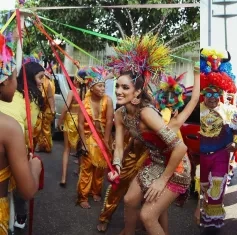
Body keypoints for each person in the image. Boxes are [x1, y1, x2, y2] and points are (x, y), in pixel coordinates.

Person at [107, 33, 198, 235]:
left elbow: (180, 147)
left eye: (125, 87)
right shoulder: (120, 114)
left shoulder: (147, 113)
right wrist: (117, 166)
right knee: (130, 200)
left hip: (177, 166)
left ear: (137, 92)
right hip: (156, 161)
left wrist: (162, 180)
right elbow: (120, 147)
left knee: (147, 216)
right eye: (117, 86)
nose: (119, 91)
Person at [199, 48, 237, 235]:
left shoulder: (229, 111)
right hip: (201, 157)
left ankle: (213, 222)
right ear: (203, 92)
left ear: (221, 92)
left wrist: (236, 143)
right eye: (208, 93)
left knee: (217, 186)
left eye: (215, 93)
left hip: (220, 155)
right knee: (202, 188)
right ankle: (201, 216)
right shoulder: (198, 109)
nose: (212, 97)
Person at [0, 33, 42, 234]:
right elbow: (27, 190)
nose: (17, 84)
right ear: (4, 81)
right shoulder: (8, 128)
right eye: (15, 77)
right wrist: (35, 166)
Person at [76, 66, 114, 209]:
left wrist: (106, 140)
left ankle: (95, 191)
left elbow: (109, 121)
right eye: (99, 86)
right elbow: (80, 124)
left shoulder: (108, 100)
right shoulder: (84, 103)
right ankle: (83, 196)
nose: (103, 88)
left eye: (104, 86)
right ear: (91, 88)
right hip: (88, 137)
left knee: (100, 167)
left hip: (103, 137)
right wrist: (84, 143)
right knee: (87, 167)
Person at [57, 74, 88, 187]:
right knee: (80, 149)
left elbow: (65, 108)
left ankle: (64, 178)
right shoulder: (87, 92)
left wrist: (59, 121)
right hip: (81, 122)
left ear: (77, 80)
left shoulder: (72, 92)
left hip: (70, 120)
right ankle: (80, 174)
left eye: (74, 78)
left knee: (66, 149)